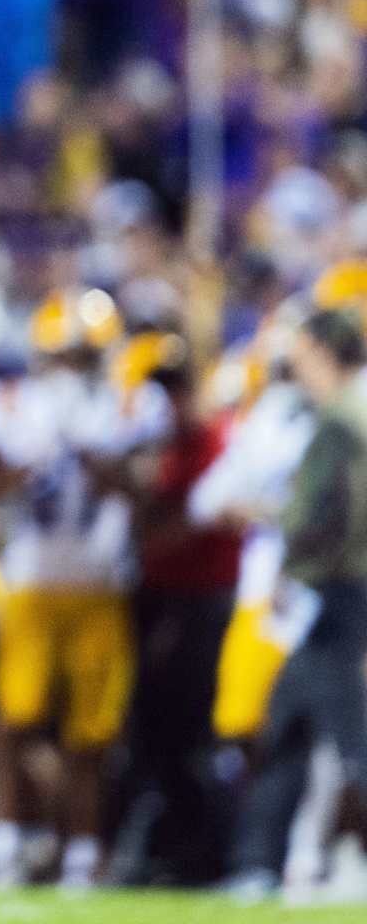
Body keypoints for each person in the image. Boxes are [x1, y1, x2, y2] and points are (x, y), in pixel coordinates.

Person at [0, 291, 169, 888]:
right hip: (31, 584)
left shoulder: (132, 403)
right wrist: (25, 462)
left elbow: (145, 497)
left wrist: (89, 452)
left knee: (92, 737)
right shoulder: (13, 403)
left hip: (100, 584)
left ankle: (83, 851)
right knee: (13, 723)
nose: (70, 371)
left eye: (81, 358)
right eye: (62, 358)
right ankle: (7, 844)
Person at [230, 308, 367, 894]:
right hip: (347, 587)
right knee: (292, 717)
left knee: (351, 731)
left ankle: (260, 862)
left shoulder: (343, 416)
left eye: (303, 357)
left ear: (322, 352)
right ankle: (258, 861)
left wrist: (292, 565)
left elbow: (327, 508)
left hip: (344, 589)